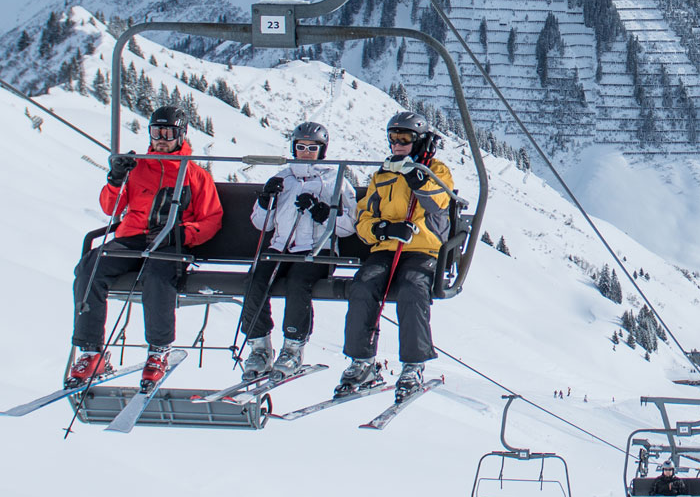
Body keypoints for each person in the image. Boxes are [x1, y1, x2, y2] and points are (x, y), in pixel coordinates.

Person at [67, 106, 224, 390]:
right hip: (132, 238)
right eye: (156, 132)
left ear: (181, 135)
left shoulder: (195, 175)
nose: (161, 139)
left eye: (168, 133)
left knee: (157, 277)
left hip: (170, 242)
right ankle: (91, 352)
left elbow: (211, 220)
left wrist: (182, 234)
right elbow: (108, 207)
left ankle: (158, 351)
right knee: (89, 268)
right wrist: (115, 179)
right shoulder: (137, 168)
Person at [338, 110, 457, 401]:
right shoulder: (383, 175)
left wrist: (419, 178)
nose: (397, 144)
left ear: (419, 141)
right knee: (363, 286)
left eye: (404, 138)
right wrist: (382, 229)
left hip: (422, 249)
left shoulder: (436, 170)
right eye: (393, 138)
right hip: (386, 249)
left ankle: (413, 365)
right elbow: (363, 219)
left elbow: (439, 201)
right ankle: (361, 361)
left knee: (413, 289)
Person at [234, 121, 343, 377]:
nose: (305, 152)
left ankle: (293, 348)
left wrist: (323, 214)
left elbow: (349, 225)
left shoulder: (334, 180)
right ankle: (259, 346)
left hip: (318, 250)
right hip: (281, 248)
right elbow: (262, 224)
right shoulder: (283, 178)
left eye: (312, 148)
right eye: (301, 146)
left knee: (298, 282)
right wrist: (265, 201)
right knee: (256, 279)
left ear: (322, 151)